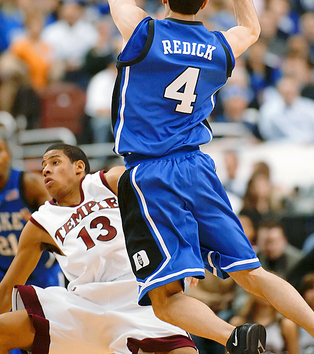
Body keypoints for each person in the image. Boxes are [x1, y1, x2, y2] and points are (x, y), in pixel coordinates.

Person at [106, 0, 314, 353]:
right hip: (199, 167)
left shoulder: (145, 32)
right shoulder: (218, 47)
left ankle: (234, 336)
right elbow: (251, 25)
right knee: (251, 271)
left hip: (152, 173)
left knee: (165, 300)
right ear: (206, 3)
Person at [0, 143, 197, 354]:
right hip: (84, 305)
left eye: (55, 162)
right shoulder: (39, 223)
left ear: (79, 167)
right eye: (44, 165)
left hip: (138, 294)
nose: (46, 169)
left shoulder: (109, 181)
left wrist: (189, 250)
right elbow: (7, 289)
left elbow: (166, 202)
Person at [0, 138, 62, 288]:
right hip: (5, 276)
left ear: (8, 155)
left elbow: (62, 222)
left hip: (40, 275)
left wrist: (41, 224)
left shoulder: (29, 183)